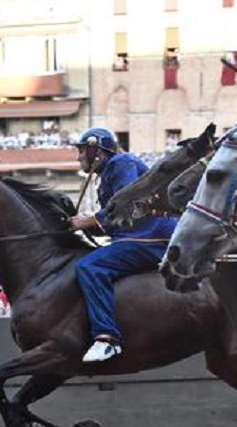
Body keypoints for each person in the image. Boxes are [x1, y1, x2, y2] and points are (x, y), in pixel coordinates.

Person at [68, 126, 172, 362]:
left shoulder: (120, 162)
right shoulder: (107, 174)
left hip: (151, 239)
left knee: (90, 267)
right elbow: (117, 219)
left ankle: (107, 338)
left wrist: (87, 220)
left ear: (96, 149)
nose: (78, 156)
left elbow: (128, 201)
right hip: (142, 237)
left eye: (82, 150)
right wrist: (88, 224)